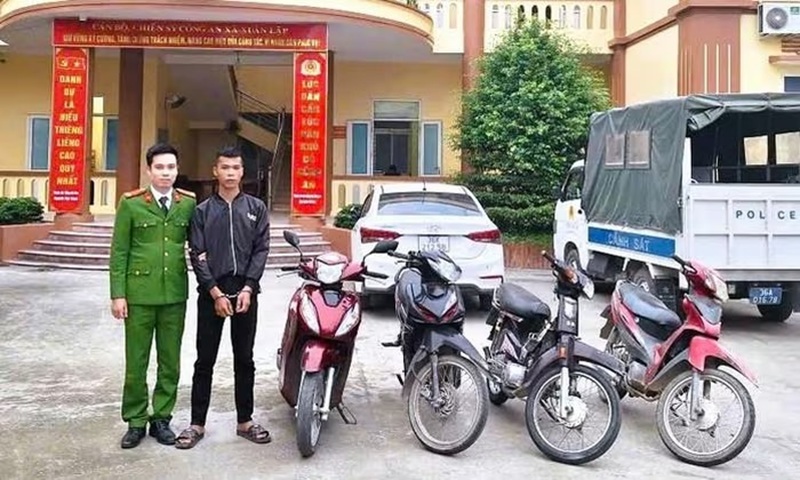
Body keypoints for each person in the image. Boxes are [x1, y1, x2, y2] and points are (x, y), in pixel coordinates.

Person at [175, 145, 271, 449]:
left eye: (235, 168)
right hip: (211, 294)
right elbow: (197, 254)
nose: (230, 173)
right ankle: (196, 424)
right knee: (205, 360)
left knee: (245, 359)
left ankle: (245, 421)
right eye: (225, 167)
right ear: (215, 171)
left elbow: (261, 250)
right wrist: (215, 292)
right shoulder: (202, 211)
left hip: (245, 294)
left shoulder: (256, 208)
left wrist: (249, 288)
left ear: (242, 172)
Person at [109, 142, 197, 449]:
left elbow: (197, 245)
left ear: (177, 169)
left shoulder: (187, 203)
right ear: (149, 170)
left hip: (174, 295)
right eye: (159, 167)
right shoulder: (131, 204)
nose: (165, 173)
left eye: (171, 167)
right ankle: (135, 420)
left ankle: (161, 418)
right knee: (136, 362)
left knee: (170, 362)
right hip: (139, 296)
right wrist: (118, 294)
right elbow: (119, 252)